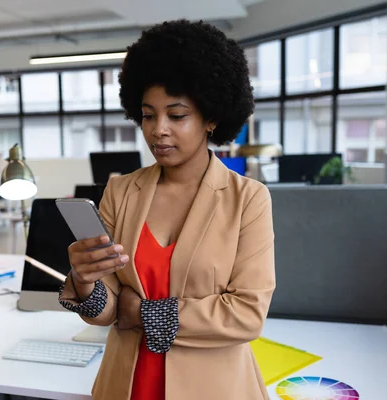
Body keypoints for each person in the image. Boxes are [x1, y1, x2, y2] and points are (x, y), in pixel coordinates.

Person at [59, 20, 275, 400]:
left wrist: (142, 313)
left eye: (176, 116)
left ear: (211, 117)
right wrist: (84, 280)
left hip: (212, 388)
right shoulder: (121, 190)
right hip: (127, 383)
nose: (158, 130)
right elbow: (106, 310)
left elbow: (247, 313)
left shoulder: (248, 199)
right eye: (147, 115)